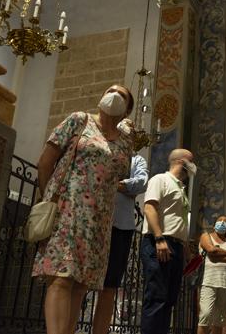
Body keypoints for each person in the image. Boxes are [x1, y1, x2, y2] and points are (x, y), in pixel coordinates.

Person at [33, 85, 135, 334]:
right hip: (69, 209)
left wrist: (129, 132)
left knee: (80, 283)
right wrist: (52, 198)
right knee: (61, 276)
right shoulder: (80, 120)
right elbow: (45, 162)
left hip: (99, 220)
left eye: (122, 95)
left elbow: (122, 172)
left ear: (127, 109)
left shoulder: (124, 142)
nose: (114, 95)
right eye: (111, 90)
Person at [141, 148, 196, 334]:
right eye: (191, 161)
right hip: (160, 243)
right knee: (157, 297)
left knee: (169, 298)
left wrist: (185, 246)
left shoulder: (181, 187)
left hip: (176, 246)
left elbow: (178, 219)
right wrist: (159, 237)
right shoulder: (160, 180)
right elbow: (149, 208)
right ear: (181, 162)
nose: (193, 165)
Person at [92, 154, 149, 334]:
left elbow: (141, 182)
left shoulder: (136, 160)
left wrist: (112, 184)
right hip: (92, 220)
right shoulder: (101, 149)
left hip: (121, 224)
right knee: (77, 283)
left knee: (110, 286)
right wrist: (125, 186)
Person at [197, 215, 226, 334]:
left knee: (220, 319)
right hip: (208, 281)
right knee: (205, 315)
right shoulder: (206, 236)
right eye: (219, 221)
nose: (222, 223)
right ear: (214, 224)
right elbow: (211, 250)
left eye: (225, 222)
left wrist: (219, 258)